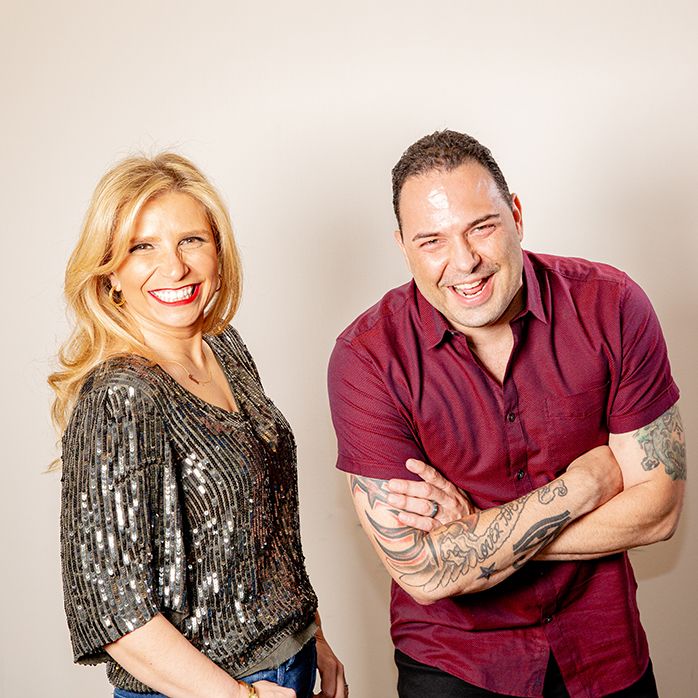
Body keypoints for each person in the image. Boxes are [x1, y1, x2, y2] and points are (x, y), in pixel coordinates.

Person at [327, 130, 685, 697]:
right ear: (403, 246)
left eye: (481, 227)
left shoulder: (612, 305)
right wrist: (583, 487)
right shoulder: (367, 358)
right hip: (455, 664)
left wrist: (473, 532)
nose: (464, 261)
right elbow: (423, 570)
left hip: (604, 652)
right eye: (432, 241)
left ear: (516, 214)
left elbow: (658, 511)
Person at [50, 153, 346, 698]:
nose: (175, 268)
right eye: (142, 247)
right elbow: (114, 611)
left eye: (191, 241)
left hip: (291, 664)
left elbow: (270, 529)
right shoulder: (120, 396)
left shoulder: (223, 346)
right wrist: (240, 697)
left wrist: (314, 637)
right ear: (111, 271)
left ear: (218, 252)